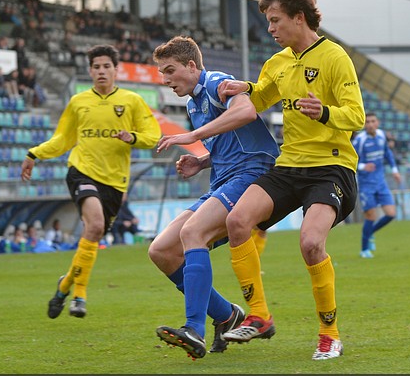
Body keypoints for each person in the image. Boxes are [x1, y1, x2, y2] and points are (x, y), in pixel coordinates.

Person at [217, 0, 365, 360]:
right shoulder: (278, 62)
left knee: (311, 243)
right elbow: (263, 94)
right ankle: (259, 316)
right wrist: (242, 88)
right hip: (289, 165)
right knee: (237, 222)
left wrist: (326, 111)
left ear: (299, 18)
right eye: (268, 20)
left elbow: (358, 116)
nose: (270, 28)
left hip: (331, 168)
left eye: (276, 20)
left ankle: (329, 334)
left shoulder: (334, 57)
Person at [150, 36, 280, 359]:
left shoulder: (217, 82)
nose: (166, 81)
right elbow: (228, 139)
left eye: (170, 71)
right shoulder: (194, 103)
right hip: (222, 179)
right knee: (162, 251)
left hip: (251, 174)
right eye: (162, 74)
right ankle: (227, 316)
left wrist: (194, 137)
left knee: (192, 232)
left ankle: (194, 328)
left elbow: (247, 111)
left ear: (192, 66)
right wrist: (201, 160)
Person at [20, 44, 161, 319]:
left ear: (115, 70)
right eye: (96, 67)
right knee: (95, 224)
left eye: (106, 66)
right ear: (90, 71)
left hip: (115, 183)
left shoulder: (131, 101)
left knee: (93, 235)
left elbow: (153, 134)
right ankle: (80, 296)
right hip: (81, 171)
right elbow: (63, 139)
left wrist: (132, 137)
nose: (101, 71)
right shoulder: (78, 102)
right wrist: (34, 153)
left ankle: (64, 286)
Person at [351, 112, 402, 257]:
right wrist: (362, 167)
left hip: (381, 182)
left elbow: (388, 154)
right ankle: (364, 249)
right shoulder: (360, 140)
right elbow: (351, 160)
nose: (370, 124)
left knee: (391, 214)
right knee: (371, 216)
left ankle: (370, 232)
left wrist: (395, 171)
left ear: (377, 122)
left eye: (373, 121)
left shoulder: (381, 136)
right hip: (366, 184)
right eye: (367, 122)